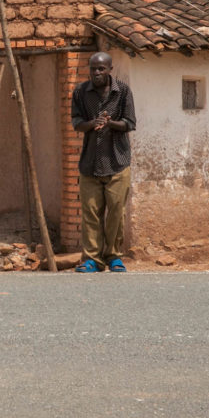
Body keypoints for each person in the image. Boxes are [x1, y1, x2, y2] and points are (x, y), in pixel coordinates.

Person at [71, 51, 136, 273]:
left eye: (101, 69)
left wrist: (110, 123)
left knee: (116, 213)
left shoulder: (123, 91)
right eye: (93, 69)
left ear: (110, 69)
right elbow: (77, 123)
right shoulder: (80, 92)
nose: (96, 73)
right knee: (90, 214)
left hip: (117, 161)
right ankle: (92, 260)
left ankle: (114, 257)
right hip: (90, 164)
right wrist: (92, 123)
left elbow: (129, 123)